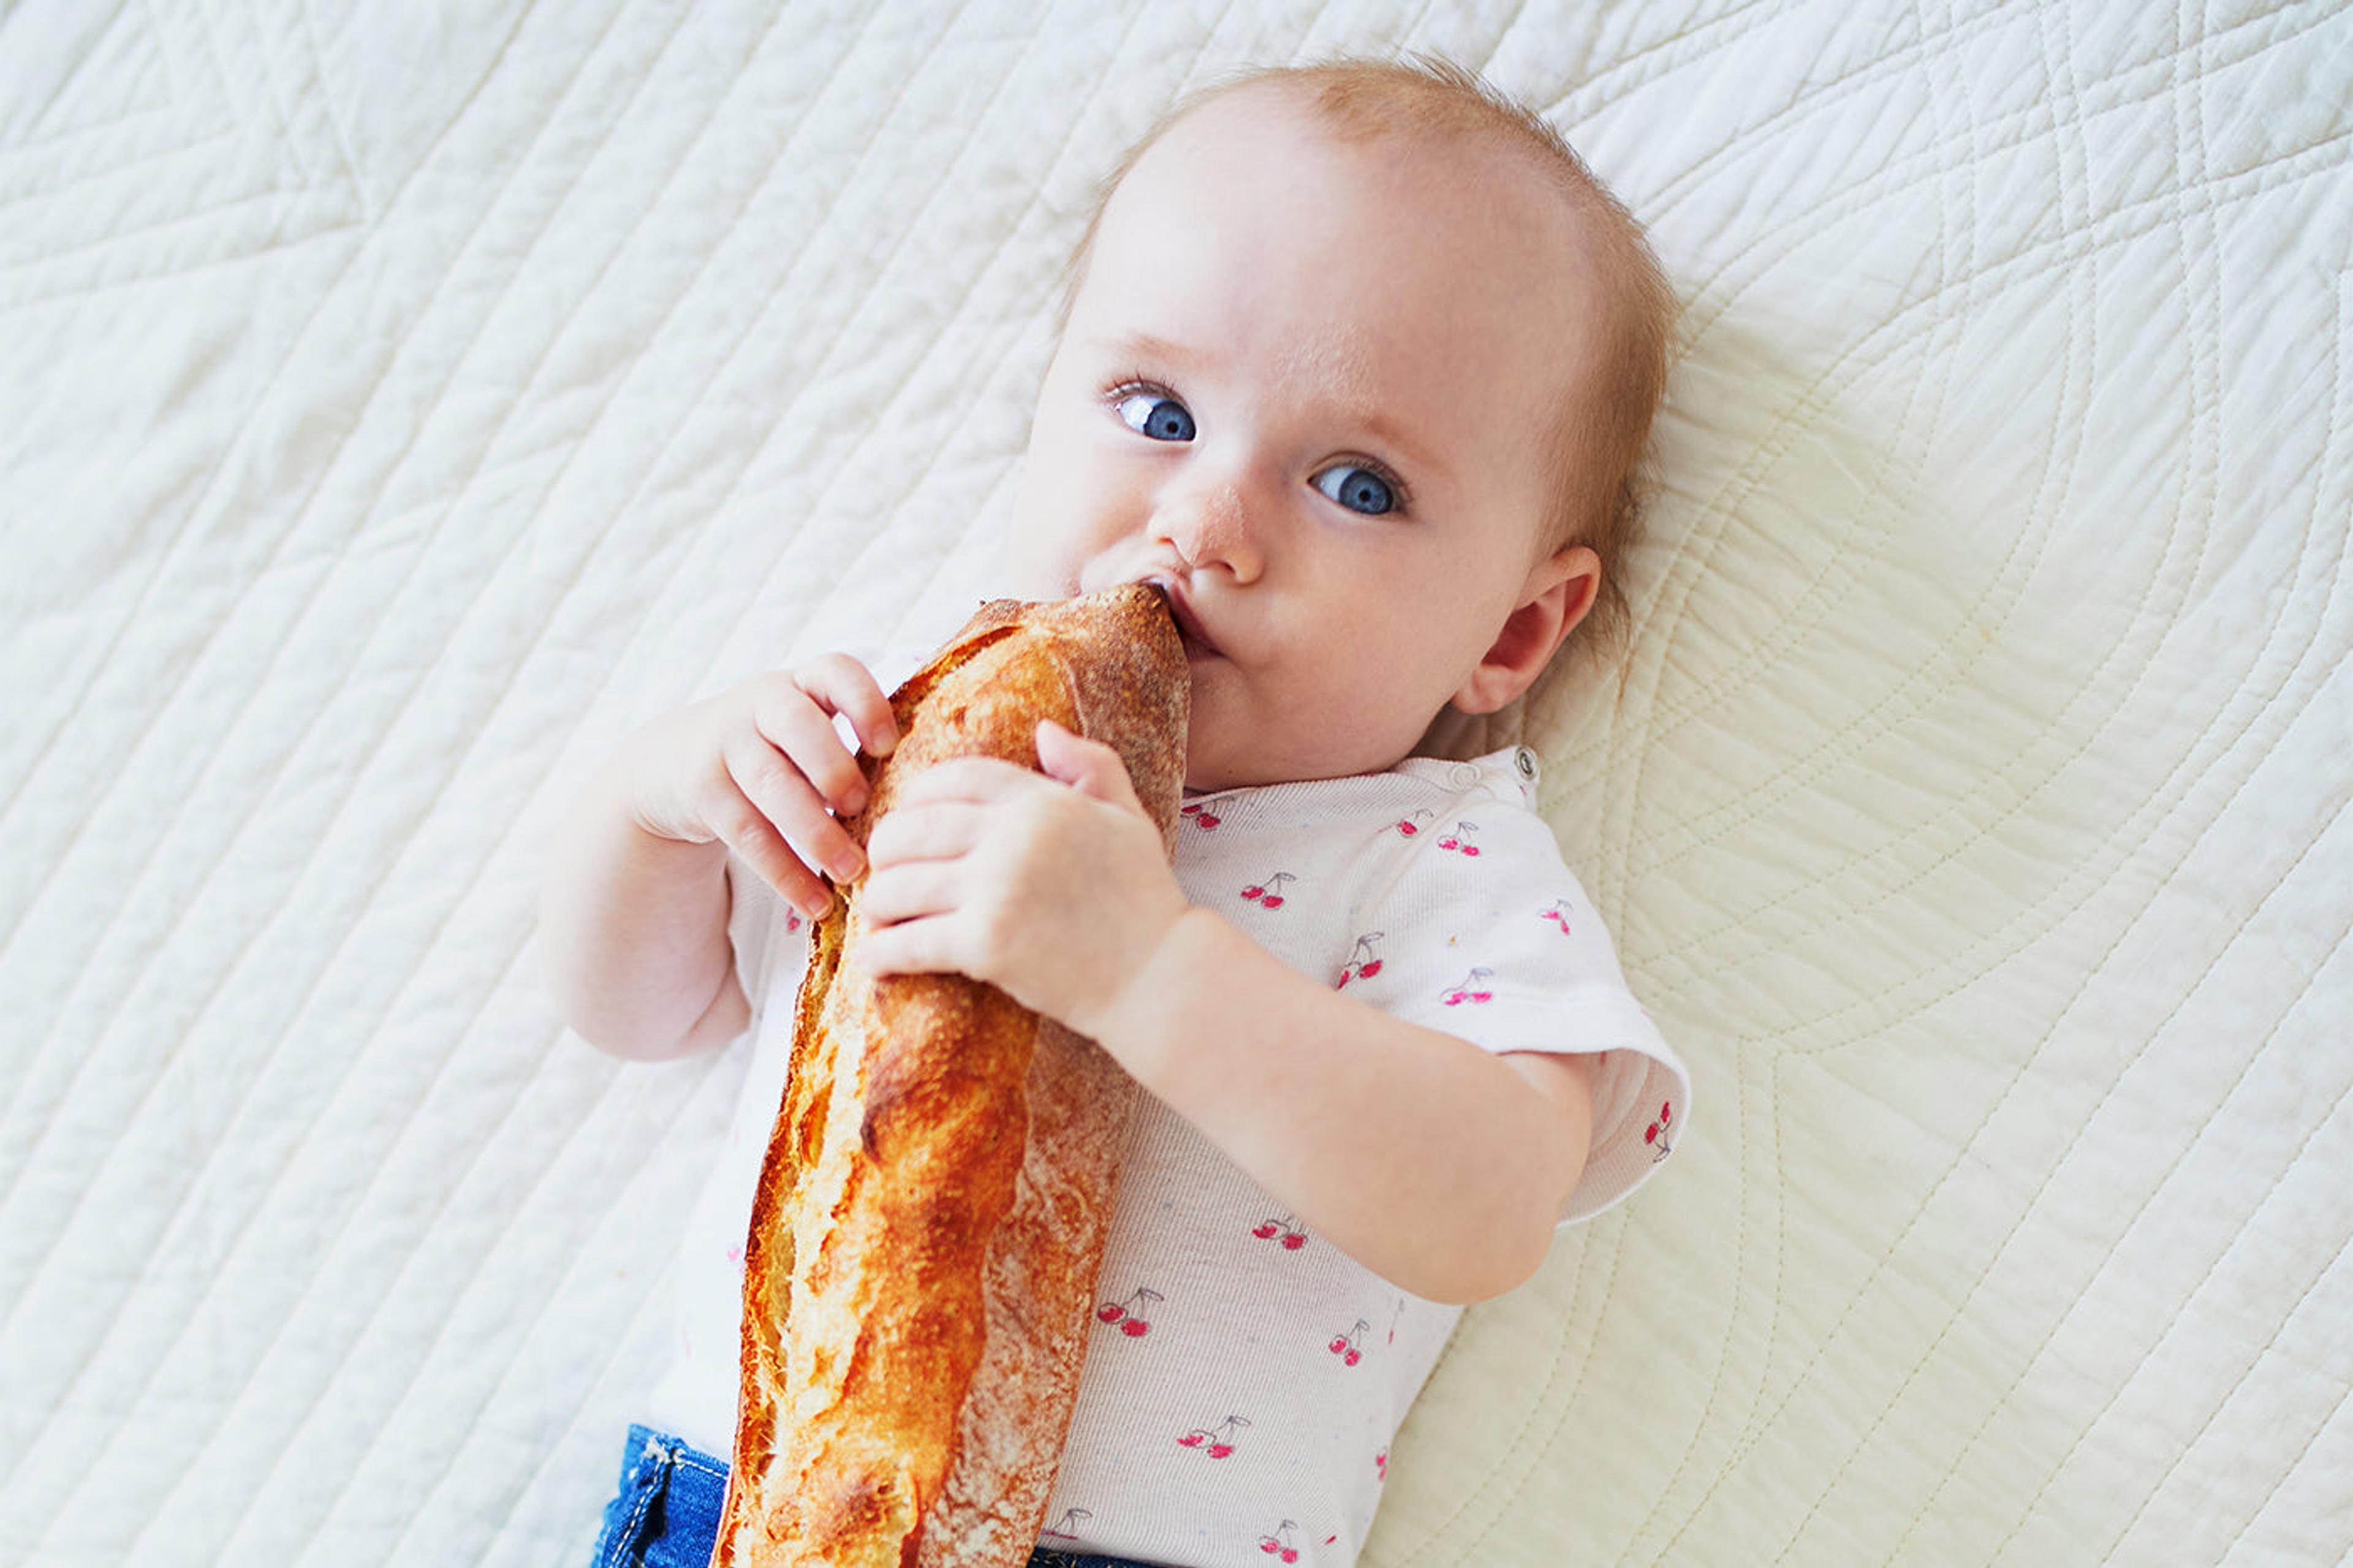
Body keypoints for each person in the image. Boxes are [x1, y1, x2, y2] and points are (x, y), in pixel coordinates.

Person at [542, 53, 1688, 1568]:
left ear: (1512, 636)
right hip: (747, 1496)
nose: (1205, 521)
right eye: (1156, 408)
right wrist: (666, 803)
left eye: (1355, 485)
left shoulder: (1430, 858)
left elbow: (1488, 1208)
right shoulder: (921, 736)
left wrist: (1150, 967)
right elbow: (639, 1009)